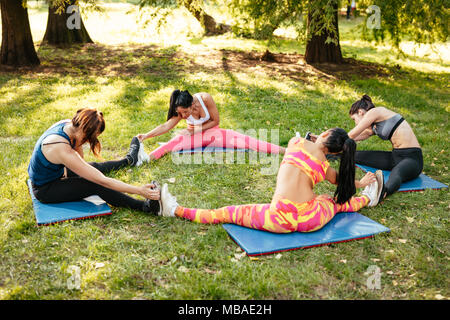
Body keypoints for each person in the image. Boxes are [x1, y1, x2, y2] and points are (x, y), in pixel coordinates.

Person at [156, 128, 384, 233]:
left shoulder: (296, 142)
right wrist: (361, 182)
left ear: (323, 135)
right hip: (310, 220)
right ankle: (367, 198)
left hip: (277, 219)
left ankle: (176, 210)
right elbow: (342, 183)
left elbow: (303, 145)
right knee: (333, 202)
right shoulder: (325, 167)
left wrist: (311, 139)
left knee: (225, 213)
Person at [28, 108, 161, 214]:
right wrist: (139, 190)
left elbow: (82, 162)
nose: (90, 142)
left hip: (57, 172)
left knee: (93, 168)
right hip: (45, 189)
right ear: (84, 132)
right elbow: (102, 181)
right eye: (91, 137)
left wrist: (87, 171)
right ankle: (146, 207)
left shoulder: (69, 126)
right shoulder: (60, 147)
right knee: (94, 184)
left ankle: (129, 160)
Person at [137, 90, 285, 160]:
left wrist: (197, 130)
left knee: (245, 141)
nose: (182, 117)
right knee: (175, 142)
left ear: (191, 104)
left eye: (184, 112)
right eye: (180, 114)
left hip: (214, 133)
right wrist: (146, 135)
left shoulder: (205, 99)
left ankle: (285, 150)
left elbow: (216, 121)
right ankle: (145, 159)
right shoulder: (181, 109)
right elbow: (165, 126)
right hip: (195, 136)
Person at [346, 94, 423, 200]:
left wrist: (329, 140)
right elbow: (361, 135)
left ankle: (383, 193)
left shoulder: (375, 112)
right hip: (395, 157)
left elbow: (352, 135)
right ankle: (330, 154)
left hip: (412, 159)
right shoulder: (375, 124)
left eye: (354, 119)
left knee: (397, 173)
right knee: (355, 155)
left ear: (360, 112)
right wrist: (322, 140)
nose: (355, 123)